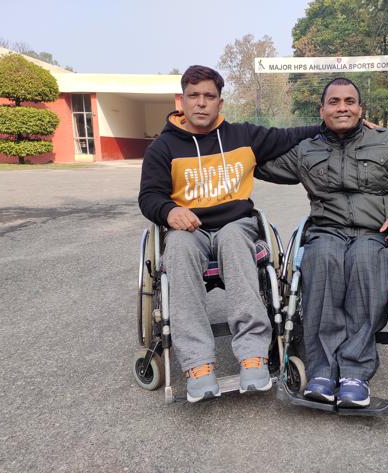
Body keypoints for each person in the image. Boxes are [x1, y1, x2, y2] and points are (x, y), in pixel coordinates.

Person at [138, 65, 322, 402]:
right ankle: (197, 364)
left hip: (235, 225)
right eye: (194, 96)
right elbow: (149, 196)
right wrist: (169, 210)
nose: (201, 103)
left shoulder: (243, 136)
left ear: (220, 102)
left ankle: (253, 354)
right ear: (181, 100)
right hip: (188, 229)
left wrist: (333, 124)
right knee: (176, 249)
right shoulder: (163, 148)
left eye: (209, 96)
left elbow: (290, 134)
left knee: (236, 240)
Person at [255, 77, 388, 408]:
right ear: (322, 110)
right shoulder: (306, 149)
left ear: (361, 108)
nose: (343, 107)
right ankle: (322, 369)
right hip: (326, 230)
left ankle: (354, 372)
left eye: (349, 102)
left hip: (375, 233)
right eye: (334, 102)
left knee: (364, 262)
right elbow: (256, 161)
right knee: (321, 260)